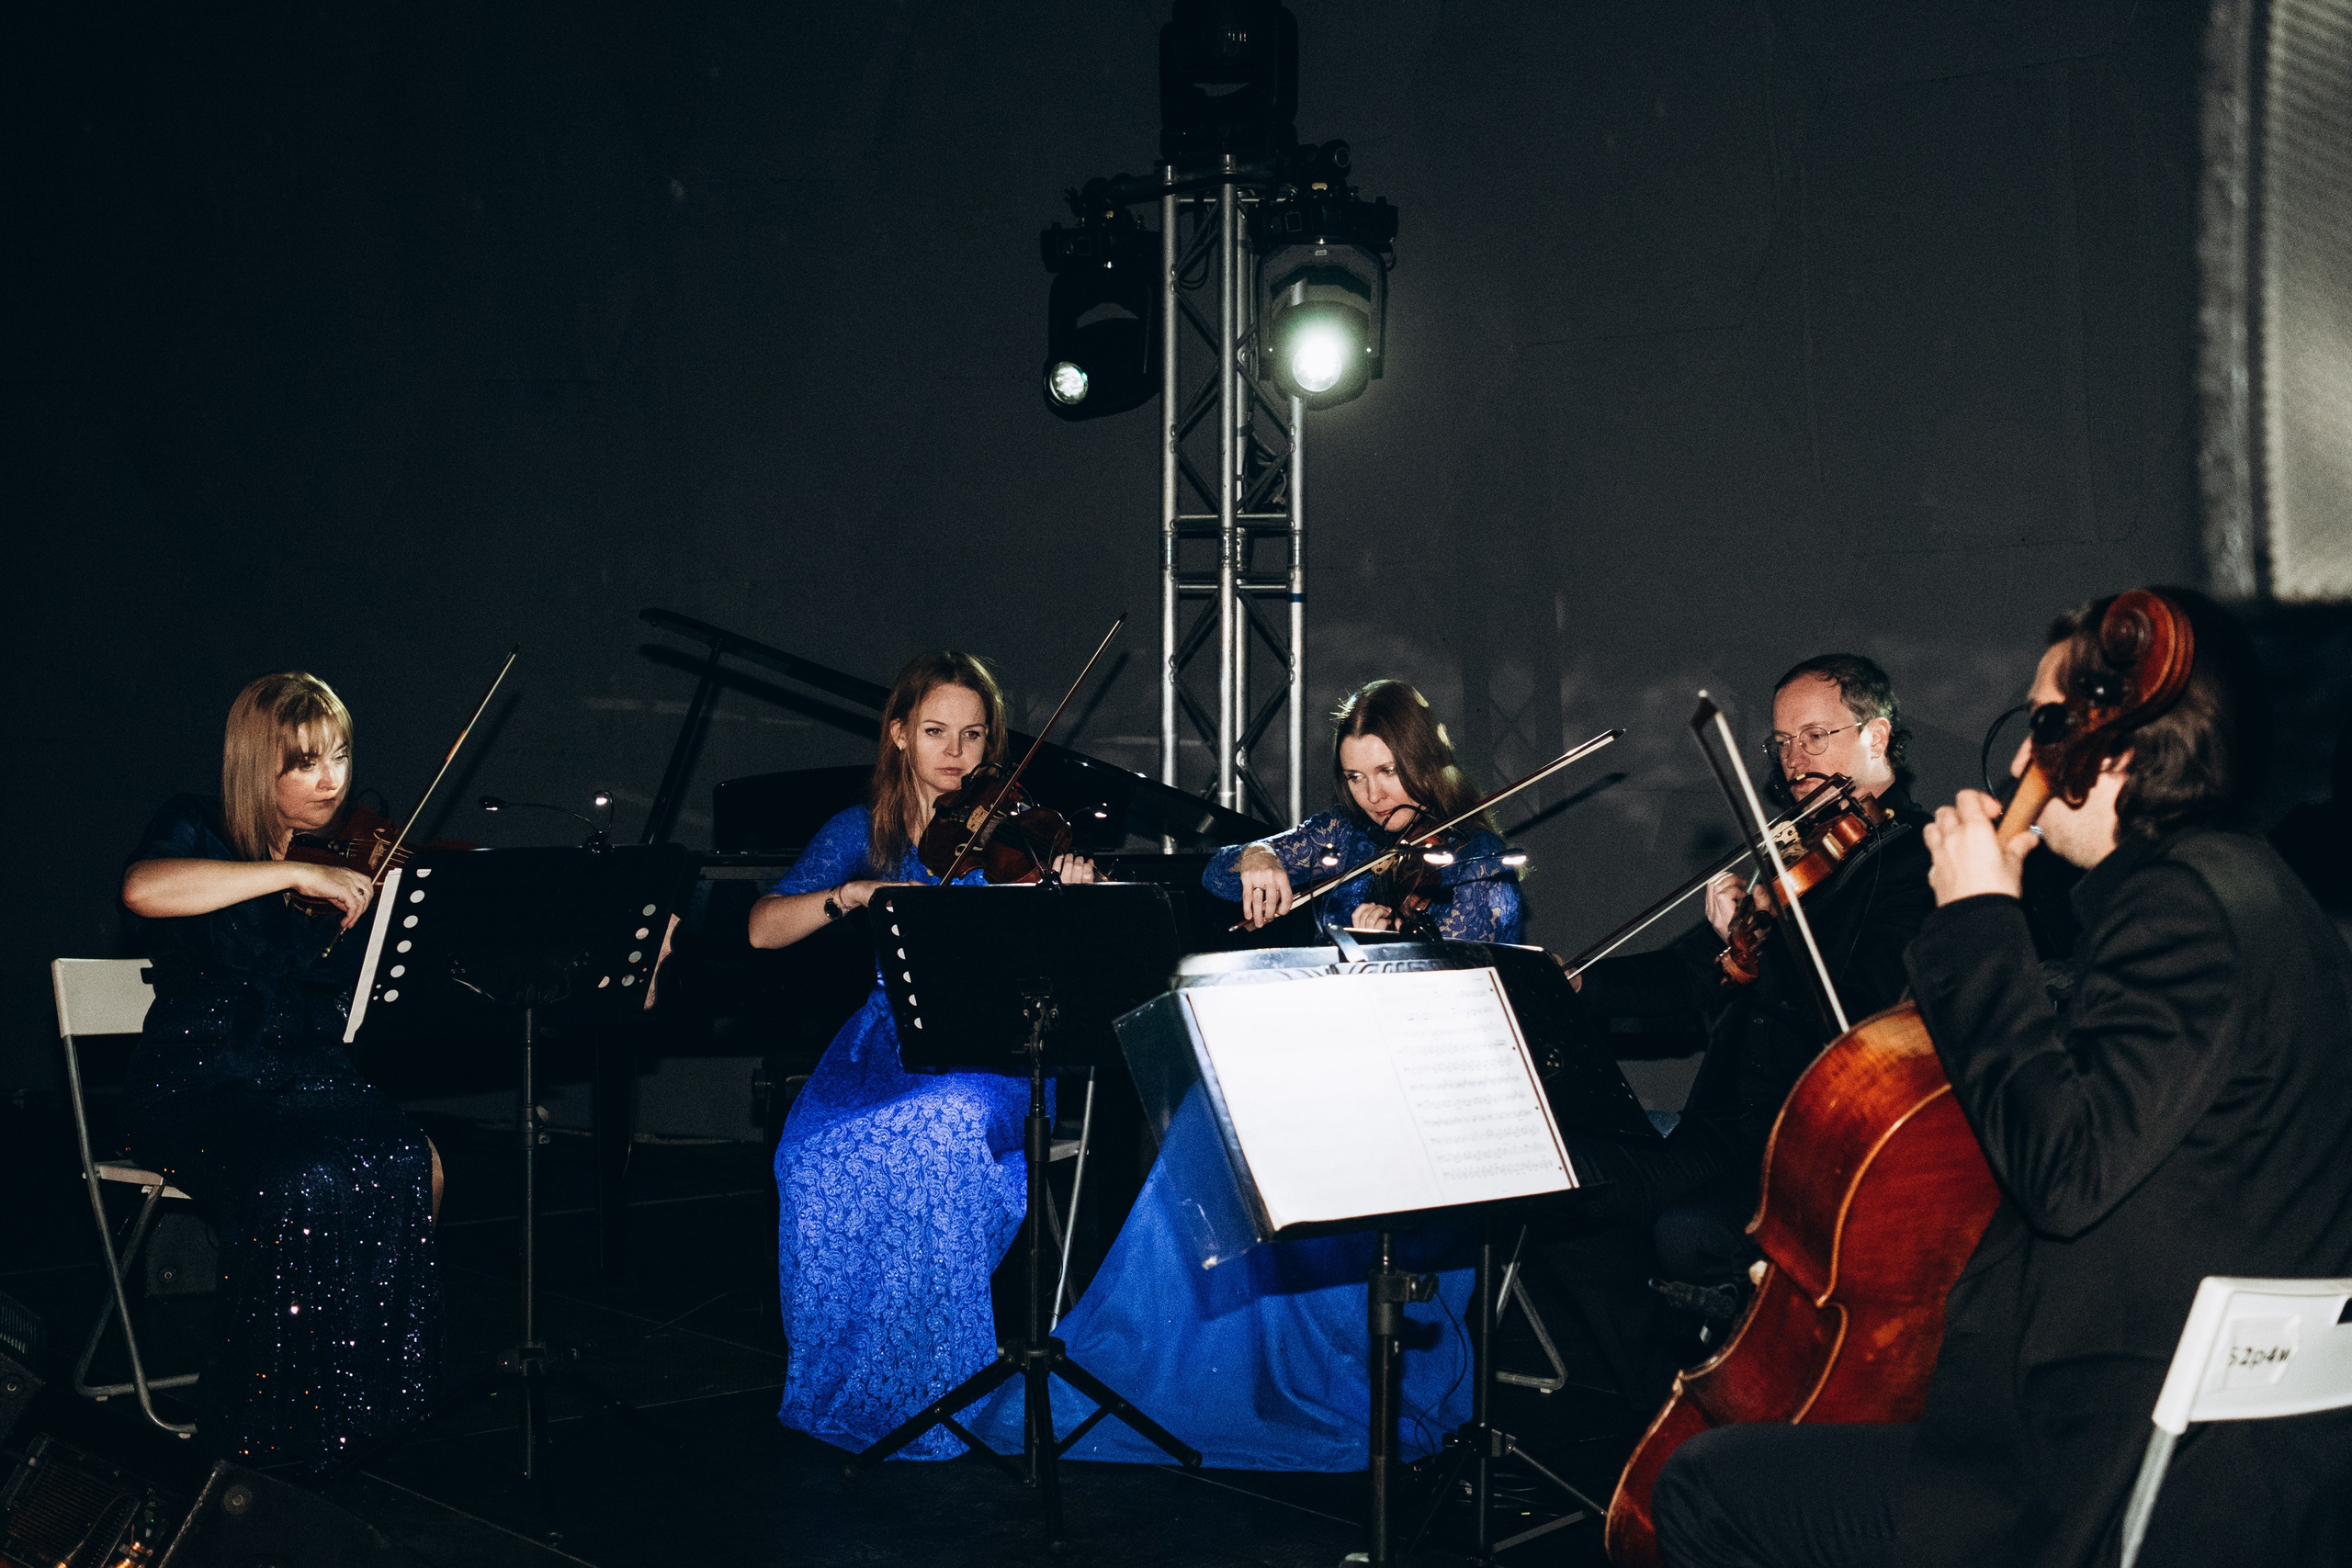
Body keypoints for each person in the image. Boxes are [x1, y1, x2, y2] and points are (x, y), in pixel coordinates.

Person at [1653, 589, 2352, 1568]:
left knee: (1704, 1488)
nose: (2022, 759)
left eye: (2040, 726)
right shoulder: (2253, 889)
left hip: (2127, 1470)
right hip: (2195, 1427)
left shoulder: (2178, 913)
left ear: (2109, 750)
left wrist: (1982, 916)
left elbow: (2061, 1171)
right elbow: (2140, 1165)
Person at [971, 679, 1521, 1468]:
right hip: (1341, 1062)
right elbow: (1219, 870)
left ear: (1423, 764)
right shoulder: (1339, 835)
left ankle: (1317, 1372)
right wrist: (1263, 854)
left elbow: (1480, 951)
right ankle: (1159, 1357)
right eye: (1357, 776)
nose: (1373, 797)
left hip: (1424, 1091)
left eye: (1388, 775)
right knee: (1206, 1122)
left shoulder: (1472, 855)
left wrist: (1401, 937)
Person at [1554, 655, 1933, 1396]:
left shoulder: (1912, 864)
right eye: (1782, 743)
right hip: (1719, 1136)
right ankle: (1637, 1410)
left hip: (1806, 1154)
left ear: (1876, 737)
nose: (1794, 760)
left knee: (1687, 1232)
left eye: (1814, 736)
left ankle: (1724, 1418)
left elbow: (1851, 1018)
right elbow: (1680, 979)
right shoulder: (1794, 856)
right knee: (1568, 1190)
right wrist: (1569, 982)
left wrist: (1764, 945)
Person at [753, 650, 1095, 1458]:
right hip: (880, 1044)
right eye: (936, 730)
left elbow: (1061, 967)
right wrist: (852, 894)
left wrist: (1067, 898)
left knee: (938, 1126)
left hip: (990, 1052)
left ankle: (937, 1392)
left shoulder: (1016, 839)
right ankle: (851, 1388)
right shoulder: (858, 829)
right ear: (900, 734)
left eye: (974, 736)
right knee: (807, 1157)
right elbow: (762, 927)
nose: (956, 753)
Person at [119, 672, 439, 1469]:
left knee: (411, 1160)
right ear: (258, 768)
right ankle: (265, 1426)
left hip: (305, 1074)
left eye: (339, 755)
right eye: (304, 762)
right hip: (200, 1075)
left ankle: (361, 1403)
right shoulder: (197, 825)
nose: (331, 778)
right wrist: (295, 872)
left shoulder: (354, 857)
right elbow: (142, 889)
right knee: (293, 1179)